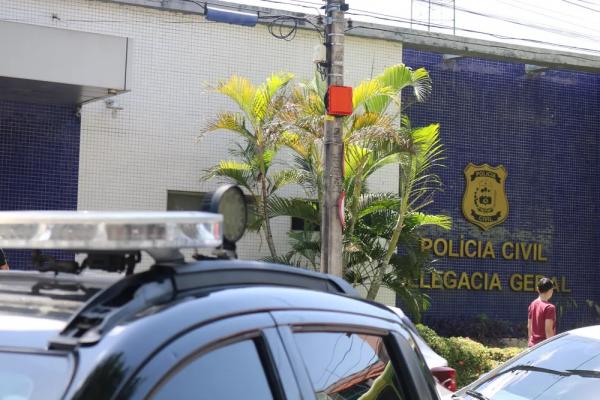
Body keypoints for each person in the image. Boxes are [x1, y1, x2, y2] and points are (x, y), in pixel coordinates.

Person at [528, 277, 556, 347]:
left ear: (538, 289)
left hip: (532, 346)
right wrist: (552, 347)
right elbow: (548, 331)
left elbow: (529, 326)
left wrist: (530, 342)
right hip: (543, 347)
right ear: (550, 291)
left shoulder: (532, 304)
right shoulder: (550, 307)